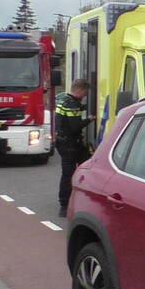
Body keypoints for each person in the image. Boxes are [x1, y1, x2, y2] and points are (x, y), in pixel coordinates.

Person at [55, 78, 93, 217]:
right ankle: (65, 205)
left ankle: (65, 204)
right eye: (84, 93)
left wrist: (82, 108)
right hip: (70, 144)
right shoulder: (72, 104)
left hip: (63, 142)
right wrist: (89, 119)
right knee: (77, 171)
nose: (84, 96)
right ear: (79, 90)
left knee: (71, 172)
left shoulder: (64, 100)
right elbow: (75, 127)